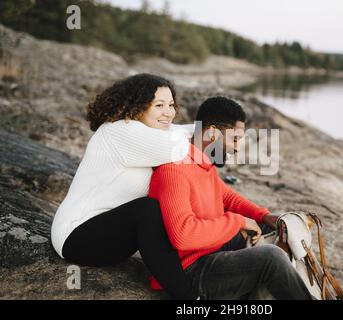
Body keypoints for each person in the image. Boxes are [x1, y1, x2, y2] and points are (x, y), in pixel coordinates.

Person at [50, 73, 198, 300]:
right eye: (159, 105)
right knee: (148, 209)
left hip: (108, 235)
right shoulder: (120, 131)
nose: (169, 112)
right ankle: (188, 298)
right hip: (76, 236)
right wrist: (204, 133)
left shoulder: (145, 131)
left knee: (167, 200)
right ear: (137, 106)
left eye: (171, 105)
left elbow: (176, 130)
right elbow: (177, 148)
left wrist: (205, 129)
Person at [149, 96, 313, 300]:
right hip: (190, 270)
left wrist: (264, 216)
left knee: (282, 226)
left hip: (211, 249)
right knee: (271, 258)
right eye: (234, 139)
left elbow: (227, 197)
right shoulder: (174, 169)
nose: (236, 147)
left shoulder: (201, 162)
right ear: (210, 132)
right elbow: (183, 236)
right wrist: (238, 222)